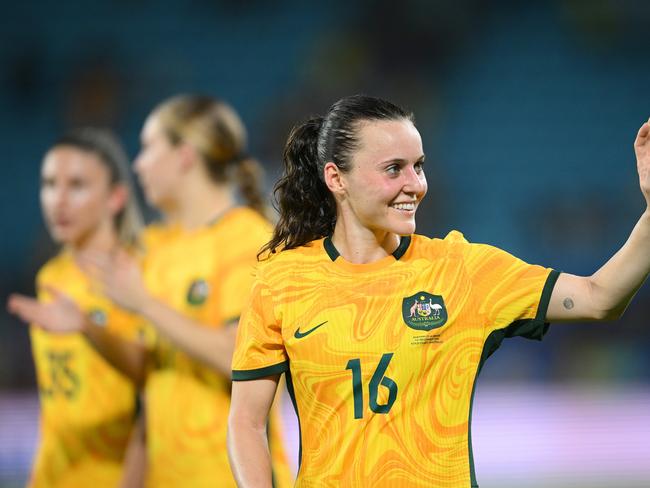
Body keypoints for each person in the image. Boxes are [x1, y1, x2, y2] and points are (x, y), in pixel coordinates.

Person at [227, 95, 650, 487]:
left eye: (419, 165)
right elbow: (246, 422)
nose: (416, 184)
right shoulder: (281, 281)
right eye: (394, 169)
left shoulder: (462, 270)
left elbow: (599, 297)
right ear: (337, 178)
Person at [17, 95, 293, 487]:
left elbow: (241, 358)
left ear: (183, 156)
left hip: (228, 476)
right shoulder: (156, 249)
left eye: (148, 148)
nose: (137, 163)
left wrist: (144, 303)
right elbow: (152, 382)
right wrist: (87, 328)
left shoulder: (247, 239)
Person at [7, 128, 145, 487]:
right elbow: (56, 407)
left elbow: (153, 390)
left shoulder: (140, 275)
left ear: (115, 198)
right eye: (50, 184)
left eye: (77, 185)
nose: (58, 200)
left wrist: (88, 327)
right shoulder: (51, 277)